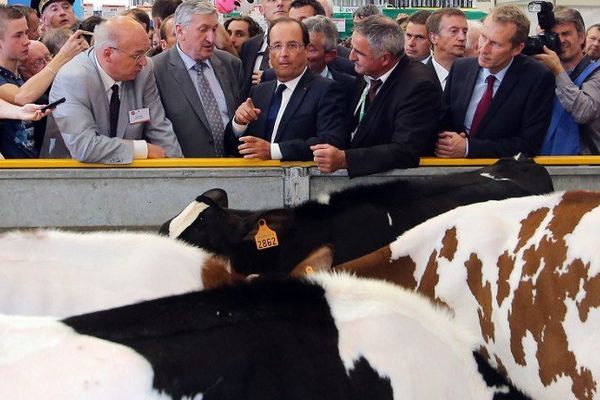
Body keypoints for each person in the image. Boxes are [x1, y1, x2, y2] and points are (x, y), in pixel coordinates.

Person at [311, 15, 441, 177]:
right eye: (352, 48)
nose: (351, 57)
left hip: (393, 191)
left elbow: (405, 150)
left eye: (359, 52)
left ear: (385, 58)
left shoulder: (419, 86)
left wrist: (346, 159)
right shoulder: (366, 72)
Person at [46, 16, 183, 163]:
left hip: (128, 177)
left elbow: (159, 128)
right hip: (73, 176)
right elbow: (84, 146)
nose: (144, 61)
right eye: (137, 56)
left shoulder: (144, 70)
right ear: (108, 54)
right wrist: (144, 149)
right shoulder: (72, 78)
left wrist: (179, 171)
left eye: (146, 52)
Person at [436, 5, 555, 159]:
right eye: (483, 37)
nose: (483, 49)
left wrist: (469, 148)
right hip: (454, 172)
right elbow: (443, 122)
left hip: (504, 176)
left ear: (517, 49)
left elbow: (529, 144)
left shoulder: (537, 78)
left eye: (495, 44)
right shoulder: (461, 68)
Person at [226, 17, 346, 161]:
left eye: (292, 45)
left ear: (307, 50)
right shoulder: (258, 92)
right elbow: (233, 148)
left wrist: (273, 151)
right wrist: (238, 123)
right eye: (277, 46)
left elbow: (330, 141)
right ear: (269, 52)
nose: (283, 53)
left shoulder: (326, 90)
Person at [153, 0, 242, 157]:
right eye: (203, 30)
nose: (211, 39)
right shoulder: (155, 69)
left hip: (232, 169)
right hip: (184, 172)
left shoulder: (231, 64)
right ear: (180, 31)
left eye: (214, 30)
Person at [0, 5, 86, 158]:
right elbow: (20, 97)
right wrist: (62, 57)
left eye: (27, 33)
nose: (26, 41)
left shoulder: (19, 76)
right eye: (18, 35)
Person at [534, 7, 600, 154]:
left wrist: (558, 71)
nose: (561, 40)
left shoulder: (596, 73)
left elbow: (584, 112)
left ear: (582, 37)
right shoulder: (543, 72)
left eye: (566, 34)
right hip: (545, 164)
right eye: (555, 35)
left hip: (584, 170)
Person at [238, 0, 291, 94]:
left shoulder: (304, 42)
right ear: (261, 9)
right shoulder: (249, 45)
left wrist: (271, 76)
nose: (280, 3)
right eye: (272, 0)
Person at [425, 8, 468, 89]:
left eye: (465, 32)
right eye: (454, 31)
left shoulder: (473, 77)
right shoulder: (418, 79)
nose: (462, 38)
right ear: (434, 37)